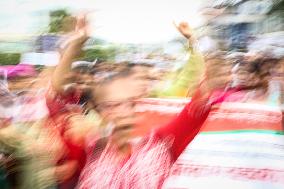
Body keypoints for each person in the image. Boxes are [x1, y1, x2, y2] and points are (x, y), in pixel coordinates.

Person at [59, 19, 227, 188]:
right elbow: (56, 92)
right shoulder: (88, 147)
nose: (122, 111)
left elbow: (201, 102)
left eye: (128, 103)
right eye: (111, 105)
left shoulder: (161, 144)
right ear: (98, 110)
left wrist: (194, 42)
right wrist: (76, 44)